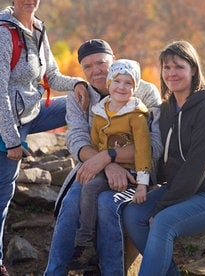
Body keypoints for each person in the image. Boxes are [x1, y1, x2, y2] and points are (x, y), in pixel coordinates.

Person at [0, 0, 89, 276]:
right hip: (3, 122)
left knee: (84, 101)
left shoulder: (39, 29)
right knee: (3, 191)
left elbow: (51, 75)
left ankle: (94, 164)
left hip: (33, 110)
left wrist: (79, 85)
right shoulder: (1, 36)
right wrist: (12, 140)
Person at [122, 40, 205, 276]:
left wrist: (162, 206)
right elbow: (162, 158)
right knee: (133, 213)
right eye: (166, 68)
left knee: (163, 221)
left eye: (178, 67)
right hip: (185, 191)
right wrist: (141, 181)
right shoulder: (168, 109)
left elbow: (196, 167)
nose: (171, 73)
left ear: (193, 69)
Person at [44, 39, 163, 276]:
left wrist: (108, 157)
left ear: (114, 60)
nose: (96, 70)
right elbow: (76, 139)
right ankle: (54, 272)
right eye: (87, 67)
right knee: (71, 202)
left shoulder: (145, 92)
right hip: (94, 170)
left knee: (107, 204)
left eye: (101, 62)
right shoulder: (79, 95)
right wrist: (105, 165)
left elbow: (154, 146)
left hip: (138, 172)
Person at [68, 59, 153, 270]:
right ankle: (85, 241)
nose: (122, 87)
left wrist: (143, 184)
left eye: (128, 83)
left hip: (132, 172)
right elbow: (96, 144)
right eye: (117, 81)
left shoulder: (137, 116)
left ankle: (86, 242)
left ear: (135, 88)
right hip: (108, 170)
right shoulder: (99, 112)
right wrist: (102, 164)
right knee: (84, 185)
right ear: (108, 83)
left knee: (94, 190)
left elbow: (143, 151)